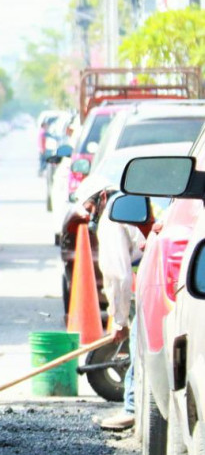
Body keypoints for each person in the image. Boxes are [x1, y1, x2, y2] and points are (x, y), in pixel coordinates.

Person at [76, 177, 147, 431]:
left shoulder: (112, 218)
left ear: (101, 198)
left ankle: (131, 408)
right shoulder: (130, 202)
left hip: (158, 279)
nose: (90, 215)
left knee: (140, 344)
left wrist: (119, 321)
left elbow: (118, 276)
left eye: (90, 208)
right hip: (160, 273)